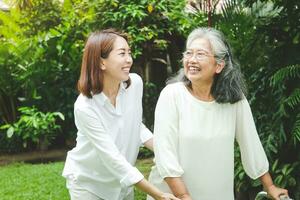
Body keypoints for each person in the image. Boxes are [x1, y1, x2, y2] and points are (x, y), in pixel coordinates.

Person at [147, 27, 289, 200]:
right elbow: (165, 154)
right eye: (189, 53)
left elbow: (251, 143)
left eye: (200, 54)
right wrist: (184, 196)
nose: (191, 60)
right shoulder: (172, 95)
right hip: (174, 195)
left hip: (217, 192)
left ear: (219, 65)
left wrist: (270, 186)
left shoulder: (234, 100)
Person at [62, 29, 179, 200]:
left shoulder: (135, 84)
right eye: (122, 53)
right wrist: (159, 195)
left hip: (123, 184)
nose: (129, 60)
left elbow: (135, 125)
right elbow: (113, 159)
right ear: (101, 62)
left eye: (129, 53)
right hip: (89, 186)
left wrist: (165, 150)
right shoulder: (85, 107)